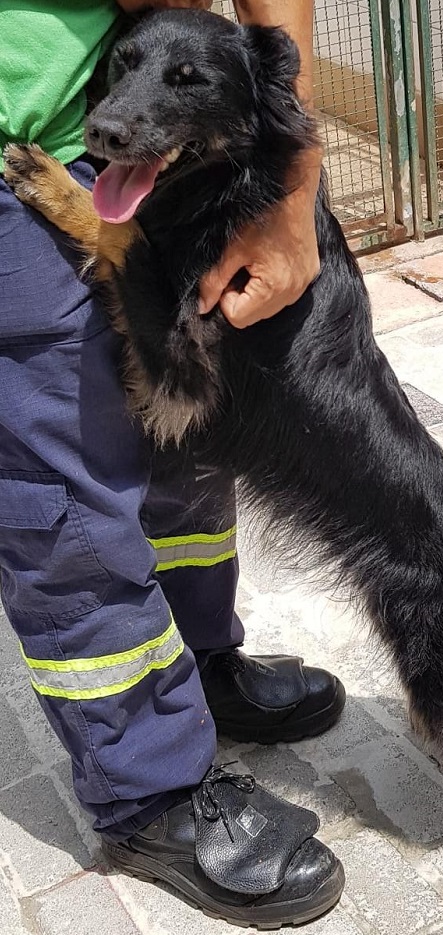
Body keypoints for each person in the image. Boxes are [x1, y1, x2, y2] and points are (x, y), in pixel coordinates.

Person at [0, 0, 346, 926]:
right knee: (71, 507)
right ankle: (148, 792)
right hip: (14, 161)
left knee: (185, 449)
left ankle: (198, 665)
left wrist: (290, 183)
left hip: (123, 150)